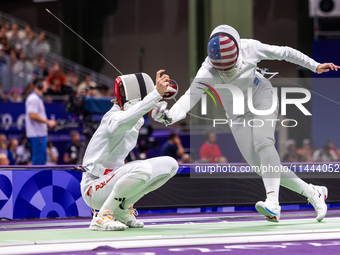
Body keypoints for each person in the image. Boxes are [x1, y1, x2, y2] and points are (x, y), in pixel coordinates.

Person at [154, 25, 339, 223]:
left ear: (238, 52)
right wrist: (168, 116)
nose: (226, 71)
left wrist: (314, 65)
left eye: (230, 65)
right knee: (262, 167)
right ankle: (314, 193)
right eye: (221, 68)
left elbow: (285, 52)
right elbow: (189, 98)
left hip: (261, 97)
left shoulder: (250, 48)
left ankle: (273, 203)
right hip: (236, 114)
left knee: (263, 142)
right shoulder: (207, 70)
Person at [80, 70, 178, 231]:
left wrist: (160, 109)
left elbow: (138, 114)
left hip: (111, 183)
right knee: (142, 168)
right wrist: (154, 97)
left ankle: (122, 209)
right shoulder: (113, 117)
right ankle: (102, 215)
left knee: (171, 164)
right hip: (93, 188)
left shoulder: (134, 117)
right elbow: (126, 120)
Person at [25, 78, 56, 165]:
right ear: (40, 85)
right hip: (37, 134)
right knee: (39, 161)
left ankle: (38, 178)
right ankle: (37, 179)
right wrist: (48, 122)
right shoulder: (34, 98)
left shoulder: (36, 98)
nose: (47, 86)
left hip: (39, 134)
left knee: (41, 159)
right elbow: (32, 115)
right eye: (45, 84)